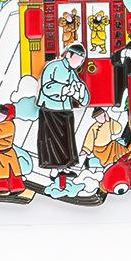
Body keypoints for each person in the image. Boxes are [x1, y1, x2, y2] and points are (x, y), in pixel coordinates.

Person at [37, 43, 90, 190]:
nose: (79, 63)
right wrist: (64, 90)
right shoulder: (53, 66)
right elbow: (47, 87)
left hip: (65, 108)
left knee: (67, 139)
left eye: (81, 60)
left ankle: (64, 166)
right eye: (78, 59)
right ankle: (55, 168)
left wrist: (81, 94)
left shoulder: (72, 72)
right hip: (50, 108)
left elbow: (80, 88)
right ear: (68, 55)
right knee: (52, 139)